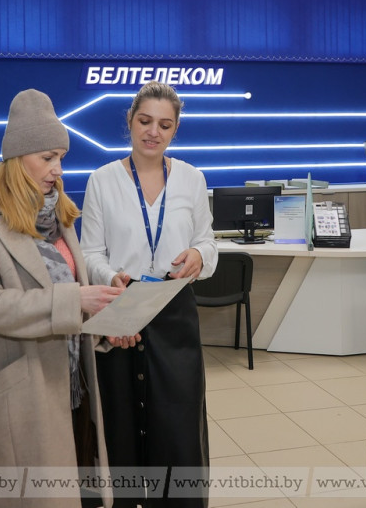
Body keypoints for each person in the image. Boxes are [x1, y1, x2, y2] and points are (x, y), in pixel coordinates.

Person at [0, 89, 122, 508]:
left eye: (60, 157)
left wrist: (105, 328)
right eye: (47, 158)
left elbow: (74, 299)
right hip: (20, 398)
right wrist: (74, 301)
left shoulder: (59, 215)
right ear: (17, 158)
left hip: (72, 390)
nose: (57, 169)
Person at [80, 81, 218, 507]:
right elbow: (90, 253)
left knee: (177, 425)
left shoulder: (192, 179)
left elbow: (208, 243)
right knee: (121, 422)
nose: (153, 132)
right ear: (130, 121)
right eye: (145, 121)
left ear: (175, 130)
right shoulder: (102, 180)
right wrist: (112, 277)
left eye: (164, 124)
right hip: (121, 309)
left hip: (175, 312)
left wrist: (199, 254)